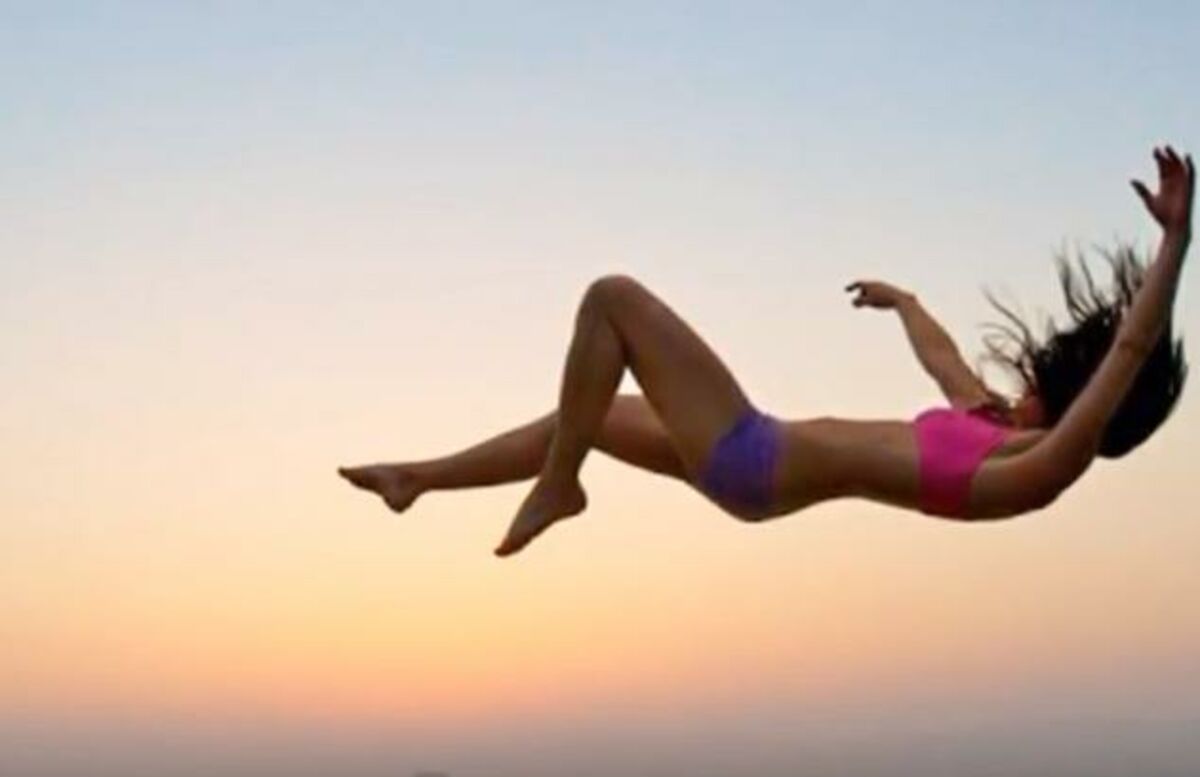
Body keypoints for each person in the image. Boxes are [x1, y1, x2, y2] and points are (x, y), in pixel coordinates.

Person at [339, 146, 1193, 558]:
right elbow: (944, 362)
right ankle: (418, 479)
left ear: (1088, 404)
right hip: (752, 459)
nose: (1026, 383)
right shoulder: (990, 426)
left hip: (752, 456)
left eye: (1051, 381)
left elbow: (1129, 350)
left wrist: (1175, 245)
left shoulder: (1040, 469)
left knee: (612, 299)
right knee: (583, 413)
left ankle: (559, 488)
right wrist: (905, 302)